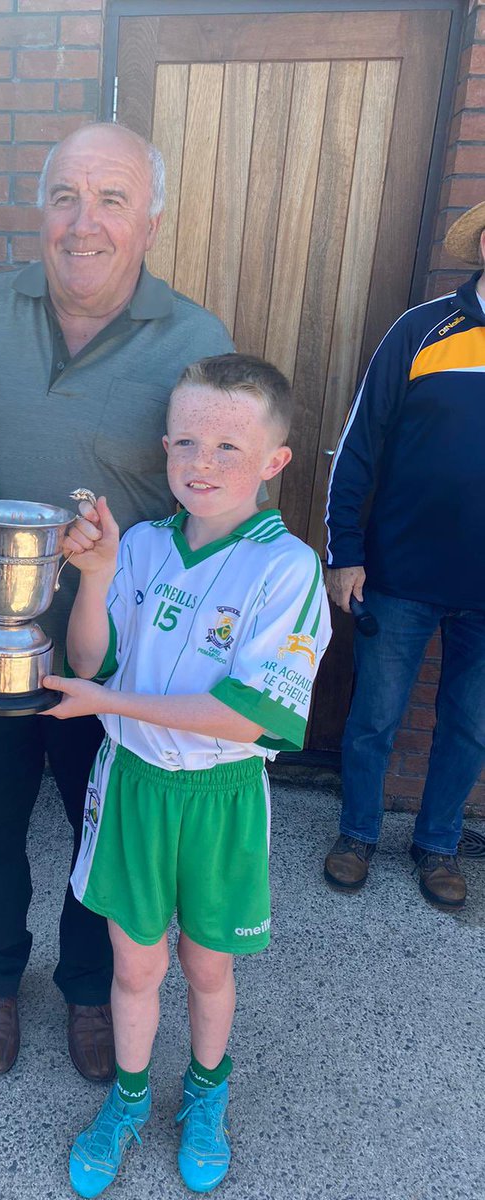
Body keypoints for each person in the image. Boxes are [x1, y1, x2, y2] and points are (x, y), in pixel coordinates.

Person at [0, 122, 234, 1082]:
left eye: (111, 200)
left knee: (104, 833)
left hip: (118, 658)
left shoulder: (194, 340)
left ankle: (91, 990)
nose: (84, 223)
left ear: (150, 218)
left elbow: (211, 503)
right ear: (40, 206)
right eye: (66, 196)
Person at [42, 354, 331, 1196]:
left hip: (219, 798)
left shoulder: (286, 569)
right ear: (165, 446)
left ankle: (205, 1095)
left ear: (275, 461)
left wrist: (111, 702)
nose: (203, 464)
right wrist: (94, 580)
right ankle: (128, 1103)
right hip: (132, 784)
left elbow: (251, 717)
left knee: (208, 967)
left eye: (229, 447)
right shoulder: (140, 545)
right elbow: (91, 657)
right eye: (188, 442)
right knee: (134, 968)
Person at [322, 200, 485, 910]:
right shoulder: (422, 330)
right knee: (374, 718)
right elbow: (359, 443)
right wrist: (343, 552)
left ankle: (439, 845)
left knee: (471, 726)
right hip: (401, 574)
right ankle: (357, 833)